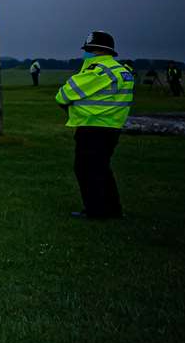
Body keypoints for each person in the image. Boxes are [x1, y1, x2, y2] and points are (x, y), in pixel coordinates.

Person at [55, 30, 134, 220]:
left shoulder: (97, 71)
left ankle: (95, 210)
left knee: (86, 169)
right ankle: (113, 209)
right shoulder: (122, 71)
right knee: (102, 168)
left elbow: (63, 95)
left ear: (94, 50)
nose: (86, 54)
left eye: (88, 50)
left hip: (92, 127)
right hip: (113, 127)